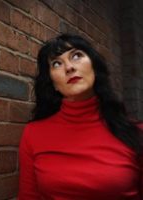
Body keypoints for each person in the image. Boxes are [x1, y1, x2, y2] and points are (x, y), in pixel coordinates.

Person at [18, 34, 143, 200]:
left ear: (93, 66)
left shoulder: (136, 132)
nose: (69, 67)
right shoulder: (33, 134)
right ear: (53, 83)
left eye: (76, 55)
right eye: (57, 63)